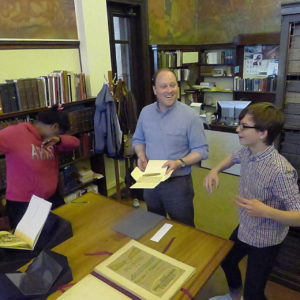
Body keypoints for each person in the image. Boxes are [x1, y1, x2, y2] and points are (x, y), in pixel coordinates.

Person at [204, 102, 300, 300]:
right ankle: (234, 297)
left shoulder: (281, 170)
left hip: (266, 239)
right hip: (245, 227)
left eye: (244, 126)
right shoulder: (249, 150)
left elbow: (298, 217)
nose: (238, 129)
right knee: (227, 261)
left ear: (262, 133)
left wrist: (265, 211)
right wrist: (215, 170)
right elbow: (233, 157)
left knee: (254, 294)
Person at [132, 68, 208, 226]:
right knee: (154, 223)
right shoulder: (146, 113)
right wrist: (141, 155)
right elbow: (138, 139)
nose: (169, 90)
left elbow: (201, 150)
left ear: (178, 88)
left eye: (173, 85)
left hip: (178, 183)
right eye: (164, 86)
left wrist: (180, 162)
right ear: (155, 90)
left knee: (183, 228)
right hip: (150, 179)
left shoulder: (190, 116)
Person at [0, 105, 80, 228]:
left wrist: (59, 139)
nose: (61, 135)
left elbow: (75, 142)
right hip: (24, 204)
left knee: (62, 235)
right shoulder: (15, 133)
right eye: (61, 132)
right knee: (33, 244)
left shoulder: (53, 140)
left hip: (51, 199)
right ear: (55, 127)